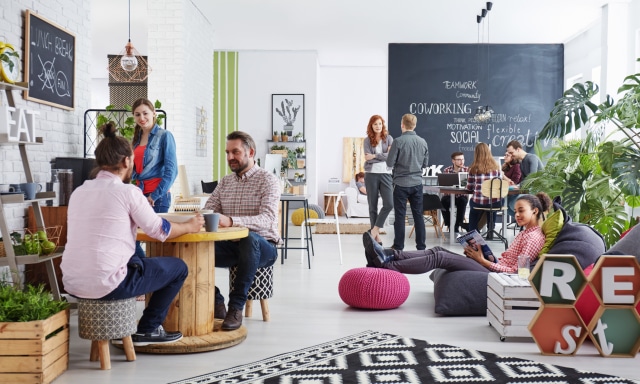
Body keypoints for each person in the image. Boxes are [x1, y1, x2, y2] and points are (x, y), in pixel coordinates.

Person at [61, 122, 204, 346]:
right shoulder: (128, 192)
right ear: (127, 161)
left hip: (72, 282)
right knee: (178, 268)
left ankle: (138, 326)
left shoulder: (79, 192)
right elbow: (159, 231)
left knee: (136, 259)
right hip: (108, 284)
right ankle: (148, 329)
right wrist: (189, 226)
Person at [362, 192, 551, 276]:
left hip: (493, 274)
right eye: (516, 211)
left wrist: (483, 260)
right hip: (492, 265)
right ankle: (388, 254)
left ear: (535, 211)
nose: (516, 215)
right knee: (437, 249)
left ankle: (387, 265)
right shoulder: (526, 233)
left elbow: (520, 274)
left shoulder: (534, 238)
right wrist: (486, 253)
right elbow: (509, 262)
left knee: (440, 257)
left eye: (521, 211)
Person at [203, 131, 280, 331]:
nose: (230, 157)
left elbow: (267, 219)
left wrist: (231, 221)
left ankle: (235, 307)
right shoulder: (225, 182)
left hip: (264, 247)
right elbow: (210, 209)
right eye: (227, 152)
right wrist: (198, 216)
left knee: (248, 239)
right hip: (231, 248)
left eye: (235, 152)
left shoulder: (268, 180)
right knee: (191, 248)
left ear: (250, 152)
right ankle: (216, 300)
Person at [386, 114, 429, 250]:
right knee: (418, 215)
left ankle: (398, 246)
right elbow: (425, 164)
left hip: (400, 183)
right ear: (414, 125)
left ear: (402, 124)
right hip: (417, 183)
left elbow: (389, 163)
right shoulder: (423, 141)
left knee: (400, 216)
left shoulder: (398, 142)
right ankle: (421, 247)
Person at [131, 98, 178, 213]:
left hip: (157, 197)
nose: (141, 118)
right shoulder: (136, 139)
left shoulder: (165, 136)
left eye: (145, 113)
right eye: (137, 114)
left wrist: (154, 196)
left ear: (153, 113)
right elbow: (134, 169)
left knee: (155, 231)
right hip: (140, 195)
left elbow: (172, 171)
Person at [363, 115, 393, 244]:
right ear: (371, 125)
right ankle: (376, 237)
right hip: (371, 175)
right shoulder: (367, 140)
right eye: (375, 124)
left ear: (383, 125)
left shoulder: (389, 139)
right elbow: (367, 158)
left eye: (380, 124)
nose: (378, 126)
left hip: (386, 174)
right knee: (372, 206)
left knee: (389, 204)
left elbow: (390, 156)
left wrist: (374, 155)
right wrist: (382, 156)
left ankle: (374, 230)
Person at [465, 143, 503, 239]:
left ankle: (473, 233)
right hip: (495, 203)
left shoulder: (473, 168)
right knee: (492, 205)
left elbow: (469, 187)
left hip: (479, 203)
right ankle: (491, 230)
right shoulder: (497, 167)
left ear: (476, 153)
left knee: (473, 209)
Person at [506, 140, 544, 218]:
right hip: (529, 191)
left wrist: (518, 187)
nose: (510, 155)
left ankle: (528, 220)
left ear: (518, 149)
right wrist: (517, 186)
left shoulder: (532, 158)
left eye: (511, 153)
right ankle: (525, 221)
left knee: (514, 201)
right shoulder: (522, 163)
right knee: (506, 201)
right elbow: (524, 180)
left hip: (538, 192)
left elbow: (532, 177)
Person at [440, 151, 469, 234]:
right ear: (453, 161)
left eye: (463, 159)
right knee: (443, 202)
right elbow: (444, 186)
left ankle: (457, 225)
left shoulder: (467, 170)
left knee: (462, 201)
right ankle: (450, 225)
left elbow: (469, 185)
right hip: (449, 196)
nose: (462, 161)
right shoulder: (447, 170)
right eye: (459, 159)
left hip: (461, 196)